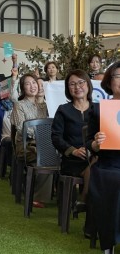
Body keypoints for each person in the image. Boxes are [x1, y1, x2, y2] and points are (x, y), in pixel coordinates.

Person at [51, 69, 97, 229]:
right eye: (72, 84)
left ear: (88, 85)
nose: (77, 87)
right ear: (68, 89)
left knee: (97, 165)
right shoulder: (63, 110)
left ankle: (83, 201)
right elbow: (56, 137)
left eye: (81, 82)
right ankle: (88, 215)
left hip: (96, 156)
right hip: (72, 160)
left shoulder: (97, 109)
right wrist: (73, 150)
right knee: (95, 169)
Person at [86, 61, 120, 253]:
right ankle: (109, 242)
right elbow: (88, 143)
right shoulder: (99, 110)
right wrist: (96, 144)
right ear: (109, 81)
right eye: (118, 76)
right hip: (108, 165)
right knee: (115, 181)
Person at [10, 73, 51, 207]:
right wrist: (42, 134)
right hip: (26, 144)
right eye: (28, 84)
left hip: (44, 144)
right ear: (23, 88)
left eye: (34, 83)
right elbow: (22, 128)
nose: (32, 86)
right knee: (46, 158)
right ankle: (38, 197)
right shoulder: (19, 105)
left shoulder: (45, 105)